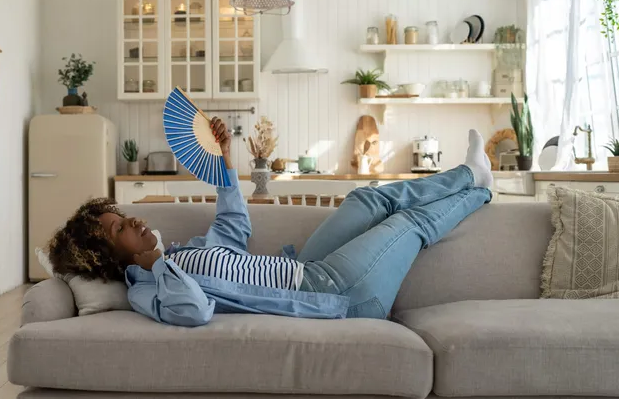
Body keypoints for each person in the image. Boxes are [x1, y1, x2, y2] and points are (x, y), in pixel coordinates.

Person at [48, 118, 493, 327]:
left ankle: (467, 174)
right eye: (118, 228)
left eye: (123, 216)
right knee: (405, 224)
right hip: (334, 293)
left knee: (364, 200)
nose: (134, 221)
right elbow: (195, 312)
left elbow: (234, 225)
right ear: (107, 255)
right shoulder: (149, 289)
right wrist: (158, 265)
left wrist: (223, 161)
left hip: (307, 268)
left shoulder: (186, 253)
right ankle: (477, 184)